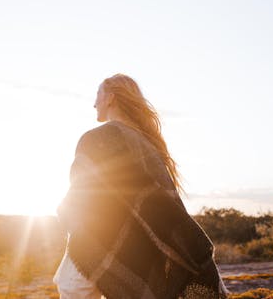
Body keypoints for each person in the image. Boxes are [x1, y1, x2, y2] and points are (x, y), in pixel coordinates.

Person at [53, 74, 228, 299]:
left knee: (72, 286)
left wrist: (67, 210)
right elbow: (166, 206)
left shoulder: (98, 138)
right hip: (136, 244)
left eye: (98, 94)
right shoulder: (147, 144)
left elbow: (82, 190)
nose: (94, 102)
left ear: (110, 98)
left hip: (99, 234)